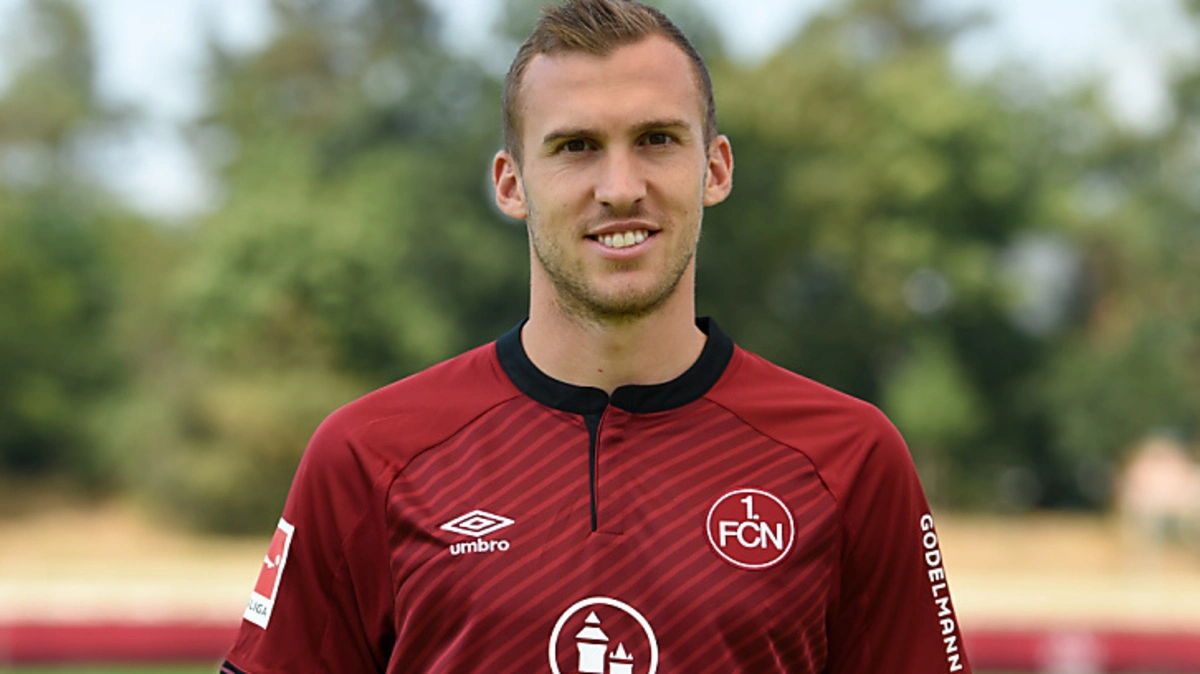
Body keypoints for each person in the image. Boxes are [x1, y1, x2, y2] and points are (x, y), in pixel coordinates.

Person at [220, 1, 972, 672]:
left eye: (656, 139)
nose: (619, 188)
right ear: (511, 184)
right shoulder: (368, 456)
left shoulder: (849, 459)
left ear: (715, 169)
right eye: (576, 146)